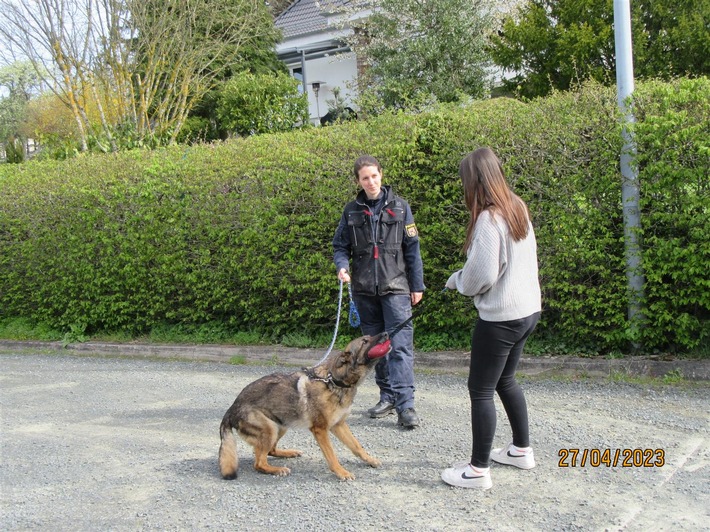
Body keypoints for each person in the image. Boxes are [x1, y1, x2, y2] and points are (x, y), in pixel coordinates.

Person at [440, 147, 542, 489]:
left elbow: (479, 277)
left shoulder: (489, 219)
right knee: (506, 380)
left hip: (501, 318)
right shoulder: (517, 206)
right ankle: (520, 450)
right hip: (528, 311)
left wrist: (456, 280)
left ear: (475, 181)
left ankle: (477, 471)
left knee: (480, 389)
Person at [333, 155, 425, 429]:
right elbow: (340, 246)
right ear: (358, 181)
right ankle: (386, 397)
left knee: (399, 348)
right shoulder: (351, 211)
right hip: (364, 291)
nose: (370, 182)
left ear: (381, 175)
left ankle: (405, 406)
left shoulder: (401, 207)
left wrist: (417, 285)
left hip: (396, 288)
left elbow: (413, 248)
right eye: (365, 178)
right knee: (375, 350)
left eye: (374, 176)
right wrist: (342, 266)